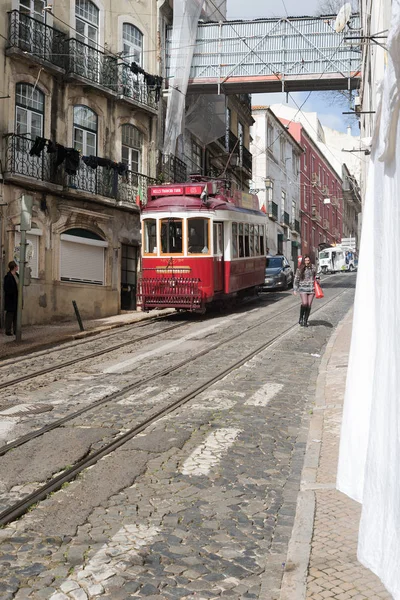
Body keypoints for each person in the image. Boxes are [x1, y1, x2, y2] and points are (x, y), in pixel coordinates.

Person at [293, 254, 317, 327]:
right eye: (306, 260)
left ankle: (305, 320)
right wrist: (295, 289)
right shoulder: (300, 268)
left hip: (311, 288)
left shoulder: (313, 267)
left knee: (309, 305)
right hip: (303, 288)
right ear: (304, 261)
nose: (307, 261)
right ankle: (301, 318)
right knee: (305, 303)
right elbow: (296, 279)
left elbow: (317, 276)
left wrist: (318, 280)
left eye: (308, 260)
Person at [4, 261, 19, 336]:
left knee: (16, 315)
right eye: (16, 266)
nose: (17, 267)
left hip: (17, 299)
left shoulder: (17, 275)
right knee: (10, 315)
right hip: (10, 299)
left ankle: (16, 330)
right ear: (14, 267)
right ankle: (8, 330)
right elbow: (6, 288)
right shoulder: (8, 277)